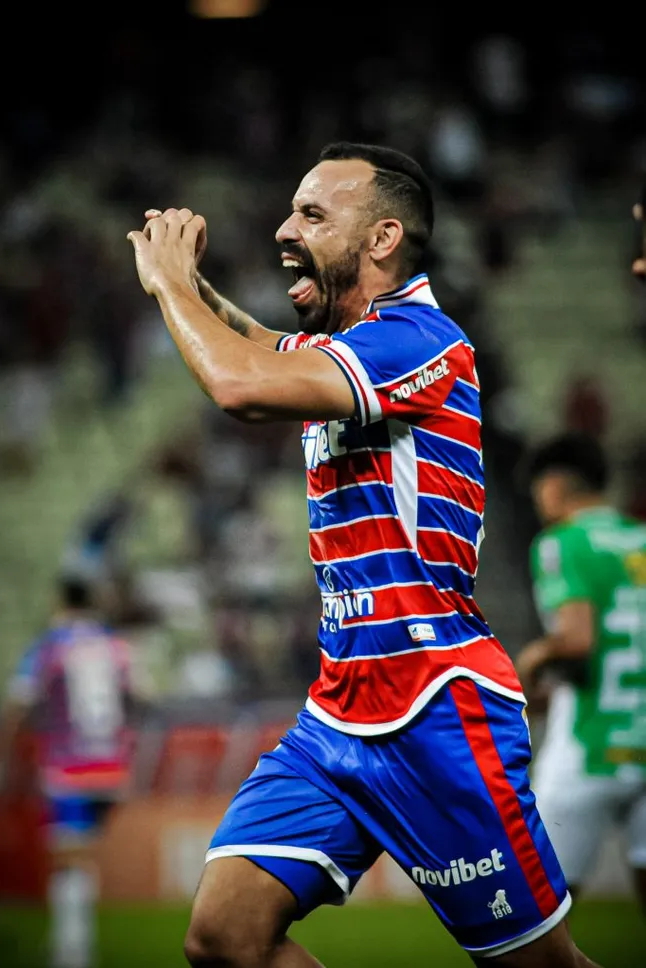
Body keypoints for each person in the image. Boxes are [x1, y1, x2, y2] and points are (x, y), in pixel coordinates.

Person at [128, 142, 599, 967]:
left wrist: (168, 285)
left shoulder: (418, 338)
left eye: (312, 214)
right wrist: (196, 287)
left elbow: (240, 386)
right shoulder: (353, 351)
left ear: (381, 239)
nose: (285, 229)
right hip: (339, 712)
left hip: (435, 709)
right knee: (224, 939)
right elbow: (263, 345)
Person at [515, 435, 646, 911]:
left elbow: (577, 640)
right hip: (644, 738)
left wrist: (533, 660)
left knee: (535, 920)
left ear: (553, 485)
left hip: (590, 746)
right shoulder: (640, 539)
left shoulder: (562, 542)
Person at [0, 576, 140, 968]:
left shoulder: (51, 644)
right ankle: (73, 942)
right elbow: (139, 696)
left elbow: (19, 701)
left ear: (59, 601)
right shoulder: (114, 645)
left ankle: (71, 951)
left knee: (68, 858)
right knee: (81, 855)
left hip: (69, 766)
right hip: (111, 766)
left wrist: (4, 757)